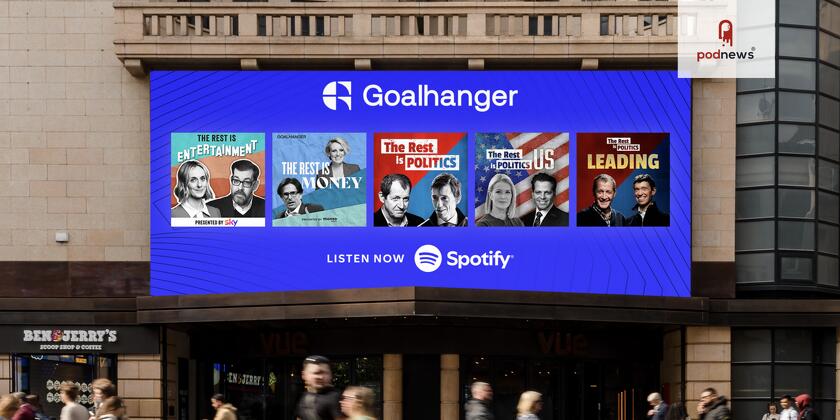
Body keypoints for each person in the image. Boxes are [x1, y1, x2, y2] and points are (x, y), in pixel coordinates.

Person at [296, 355, 343, 420]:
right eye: (316, 373)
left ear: (331, 375)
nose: (320, 377)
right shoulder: (303, 396)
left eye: (325, 373)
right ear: (304, 375)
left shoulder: (336, 398)